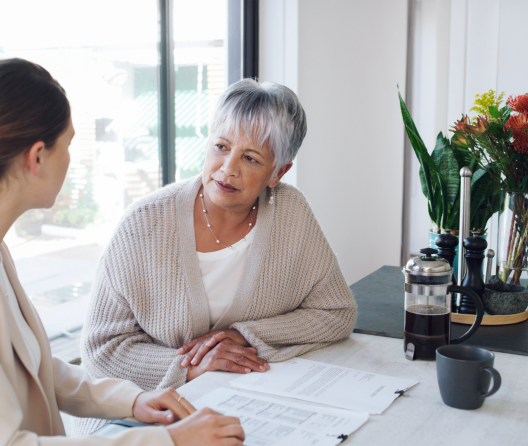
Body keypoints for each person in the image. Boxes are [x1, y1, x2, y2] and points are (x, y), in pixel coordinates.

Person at [0, 58, 244, 446]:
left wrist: (133, 400)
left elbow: (30, 364)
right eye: (69, 144)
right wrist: (171, 441)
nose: (70, 159)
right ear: (37, 157)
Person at [74, 78, 357, 435]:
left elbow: (336, 312)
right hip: (137, 418)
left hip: (241, 405)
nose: (228, 168)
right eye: (221, 146)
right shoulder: (144, 223)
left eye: (250, 158)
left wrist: (244, 335)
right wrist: (191, 367)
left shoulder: (291, 212)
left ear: (278, 172)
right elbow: (100, 353)